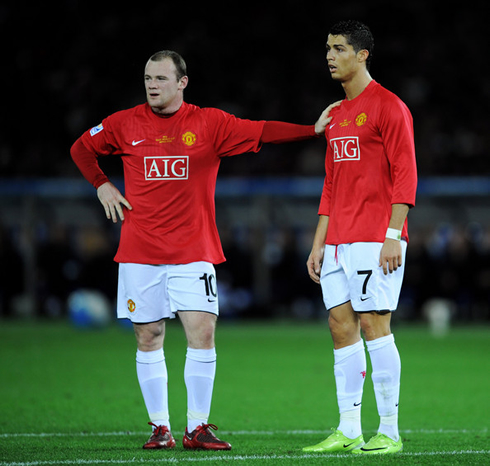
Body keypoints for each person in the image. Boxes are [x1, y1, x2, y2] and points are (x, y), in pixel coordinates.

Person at [71, 50, 338, 451]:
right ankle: (159, 427)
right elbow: (80, 148)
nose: (152, 84)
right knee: (148, 335)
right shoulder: (122, 124)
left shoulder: (209, 123)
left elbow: (261, 131)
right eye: (147, 77)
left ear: (182, 83)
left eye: (161, 78)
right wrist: (101, 184)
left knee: (203, 331)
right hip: (139, 251)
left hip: (193, 250)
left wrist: (312, 130)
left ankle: (197, 428)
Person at [302, 21, 417, 455]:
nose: (330, 56)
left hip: (376, 236)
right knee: (340, 327)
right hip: (338, 241)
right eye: (327, 48)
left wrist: (393, 234)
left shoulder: (389, 107)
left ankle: (389, 430)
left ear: (363, 54)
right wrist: (318, 243)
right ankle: (348, 428)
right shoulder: (335, 116)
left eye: (339, 48)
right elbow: (331, 185)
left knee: (374, 325)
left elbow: (406, 174)